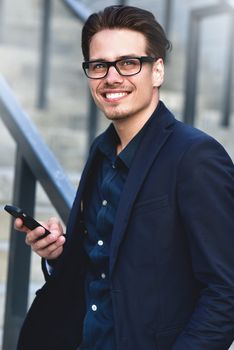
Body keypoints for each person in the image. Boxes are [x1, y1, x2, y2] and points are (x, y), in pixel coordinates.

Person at [15, 5, 234, 350]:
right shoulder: (101, 152)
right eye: (99, 65)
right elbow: (110, 264)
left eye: (129, 63)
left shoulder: (195, 157)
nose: (111, 77)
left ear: (157, 71)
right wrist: (60, 254)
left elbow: (225, 292)